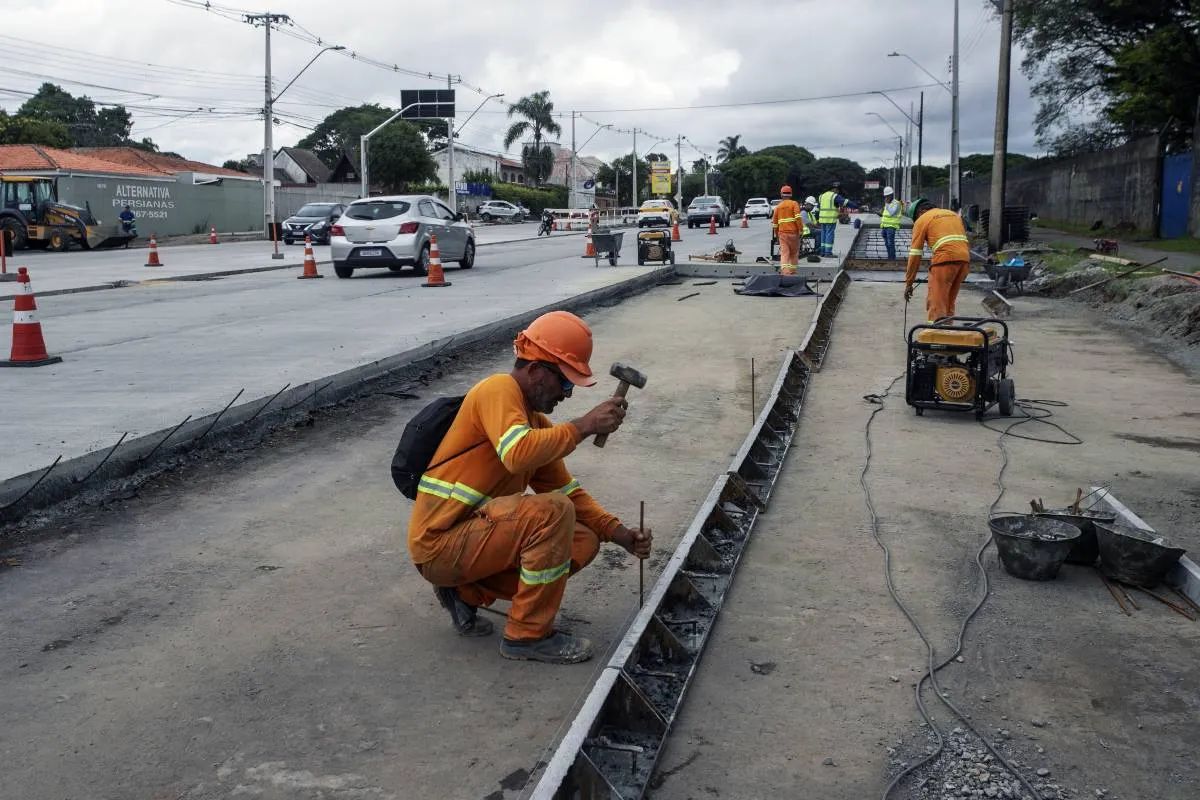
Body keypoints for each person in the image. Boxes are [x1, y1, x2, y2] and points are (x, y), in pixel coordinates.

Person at [407, 311, 653, 665]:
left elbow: (569, 492)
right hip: (438, 544)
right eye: (565, 383)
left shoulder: (535, 422)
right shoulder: (497, 390)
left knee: (582, 537)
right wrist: (583, 426)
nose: (568, 394)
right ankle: (527, 636)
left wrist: (621, 534)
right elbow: (517, 453)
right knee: (551, 512)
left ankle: (465, 592)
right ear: (537, 371)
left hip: (470, 543)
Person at [903, 196, 972, 322]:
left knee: (936, 304)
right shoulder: (953, 215)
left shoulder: (923, 219)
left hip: (944, 262)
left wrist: (909, 283)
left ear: (919, 212)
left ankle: (935, 336)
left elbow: (915, 254)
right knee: (949, 302)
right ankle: (947, 335)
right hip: (964, 261)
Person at [816, 181, 858, 257]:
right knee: (829, 235)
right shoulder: (834, 196)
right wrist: (855, 206)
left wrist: (817, 219)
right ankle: (828, 252)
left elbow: (818, 208)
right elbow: (845, 202)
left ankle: (822, 251)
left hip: (822, 220)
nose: (838, 192)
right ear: (835, 189)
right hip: (830, 219)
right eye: (838, 190)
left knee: (823, 234)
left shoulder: (821, 196)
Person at [769, 185, 803, 276]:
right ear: (791, 194)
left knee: (784, 253)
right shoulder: (794, 204)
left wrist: (777, 236)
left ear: (781, 194)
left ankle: (785, 272)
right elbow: (798, 218)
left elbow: (775, 224)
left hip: (782, 234)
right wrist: (801, 230)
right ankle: (792, 272)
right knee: (794, 253)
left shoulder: (778, 207)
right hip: (794, 233)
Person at [879, 187, 902, 261]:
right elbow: (885, 214)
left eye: (888, 196)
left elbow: (892, 213)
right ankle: (889, 258)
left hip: (891, 227)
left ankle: (892, 259)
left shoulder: (897, 203)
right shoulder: (887, 204)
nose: (886, 197)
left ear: (892, 195)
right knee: (886, 243)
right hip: (884, 226)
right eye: (885, 196)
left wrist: (887, 205)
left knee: (890, 243)